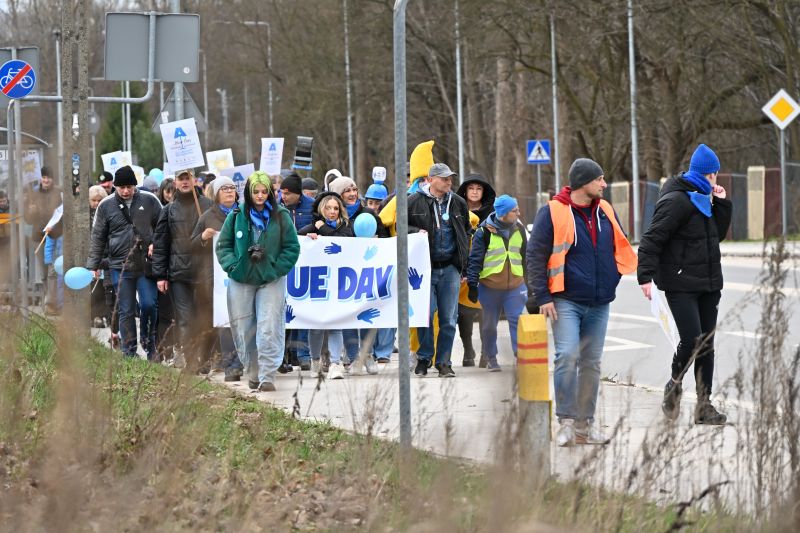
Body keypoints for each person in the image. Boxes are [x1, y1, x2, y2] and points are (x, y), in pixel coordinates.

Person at [527, 158, 637, 446]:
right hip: (566, 300)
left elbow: (619, 245)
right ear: (582, 183)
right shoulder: (551, 212)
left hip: (599, 302)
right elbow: (535, 256)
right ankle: (565, 422)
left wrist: (611, 281)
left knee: (591, 363)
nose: (604, 184)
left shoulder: (605, 210)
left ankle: (584, 427)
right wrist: (543, 296)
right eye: (598, 179)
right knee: (567, 357)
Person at [637, 144, 732, 425]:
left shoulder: (704, 199)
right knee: (692, 340)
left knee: (707, 344)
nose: (716, 180)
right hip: (679, 283)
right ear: (709, 174)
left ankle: (704, 406)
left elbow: (716, 236)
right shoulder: (677, 200)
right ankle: (674, 384)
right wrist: (645, 276)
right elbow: (652, 239)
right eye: (715, 175)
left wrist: (723, 203)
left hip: (708, 283)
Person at [215, 171, 300, 391]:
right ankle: (252, 368)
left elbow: (292, 247)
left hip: (270, 280)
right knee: (243, 327)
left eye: (264, 191)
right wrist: (233, 266)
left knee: (269, 326)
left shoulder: (280, 216)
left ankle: (267, 374)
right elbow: (223, 245)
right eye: (256, 192)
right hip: (241, 279)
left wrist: (277, 268)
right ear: (248, 193)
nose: (260, 196)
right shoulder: (236, 215)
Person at [87, 166, 162, 359]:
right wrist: (94, 264)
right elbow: (98, 236)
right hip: (119, 265)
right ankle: (129, 350)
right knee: (125, 309)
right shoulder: (105, 205)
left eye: (129, 187)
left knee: (148, 304)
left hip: (145, 263)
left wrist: (155, 243)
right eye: (122, 187)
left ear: (135, 186)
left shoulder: (150, 200)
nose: (126, 191)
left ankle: (149, 343)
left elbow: (162, 227)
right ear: (116, 187)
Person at [408, 163, 472, 378]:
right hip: (425, 268)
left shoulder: (458, 202)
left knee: (448, 318)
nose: (449, 182)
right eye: (444, 178)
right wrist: (417, 231)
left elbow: (466, 232)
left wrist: (462, 265)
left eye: (450, 178)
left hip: (451, 268)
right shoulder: (414, 201)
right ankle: (424, 358)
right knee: (426, 314)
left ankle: (444, 362)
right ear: (430, 179)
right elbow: (401, 228)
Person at [152, 169, 214, 371]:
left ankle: (204, 359)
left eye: (188, 178)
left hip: (204, 272)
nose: (185, 182)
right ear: (175, 182)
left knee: (205, 318)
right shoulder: (169, 210)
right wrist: (161, 275)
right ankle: (190, 361)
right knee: (185, 320)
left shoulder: (207, 205)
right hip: (179, 274)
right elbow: (161, 245)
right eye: (181, 178)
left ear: (194, 180)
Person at [297, 192, 357, 379]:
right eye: (328, 208)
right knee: (316, 326)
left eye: (336, 208)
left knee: (336, 324)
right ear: (322, 209)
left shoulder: (346, 227)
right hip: (317, 284)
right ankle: (315, 361)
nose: (332, 212)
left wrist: (323, 229)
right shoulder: (312, 226)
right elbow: (296, 238)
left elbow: (344, 240)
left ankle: (335, 363)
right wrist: (310, 235)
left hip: (338, 285)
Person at [191, 176, 243, 381]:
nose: (230, 191)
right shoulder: (206, 217)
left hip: (243, 275)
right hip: (216, 279)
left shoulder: (244, 214)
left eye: (232, 188)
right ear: (216, 194)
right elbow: (191, 245)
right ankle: (231, 366)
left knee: (242, 321)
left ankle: (242, 361)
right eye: (225, 189)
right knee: (225, 321)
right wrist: (203, 237)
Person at [466, 195, 527, 372]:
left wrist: (530, 286)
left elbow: (526, 258)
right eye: (515, 211)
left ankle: (519, 356)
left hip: (515, 285)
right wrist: (472, 285)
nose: (518, 213)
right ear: (503, 214)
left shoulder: (519, 229)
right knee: (489, 325)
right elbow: (475, 260)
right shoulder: (483, 232)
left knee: (517, 320)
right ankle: (491, 357)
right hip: (489, 287)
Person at [456, 174, 497, 367]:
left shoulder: (493, 213)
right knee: (464, 312)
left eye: (478, 188)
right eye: (471, 188)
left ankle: (486, 352)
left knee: (486, 312)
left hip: (486, 266)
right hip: (462, 266)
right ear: (465, 191)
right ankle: (468, 349)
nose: (474, 191)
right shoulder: (457, 209)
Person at [279, 172, 316, 372]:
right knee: (283, 312)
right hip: (284, 265)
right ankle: (281, 356)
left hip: (306, 265)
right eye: (281, 192)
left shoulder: (311, 206)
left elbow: (319, 226)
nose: (283, 196)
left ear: (297, 194)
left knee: (302, 311)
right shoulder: (277, 207)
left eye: (287, 193)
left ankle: (303, 355)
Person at [24, 166, 62, 308]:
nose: (46, 180)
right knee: (44, 270)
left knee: (54, 268)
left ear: (53, 179)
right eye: (43, 177)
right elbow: (27, 219)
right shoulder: (32, 194)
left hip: (55, 236)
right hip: (38, 237)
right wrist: (31, 212)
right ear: (40, 178)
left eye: (48, 177)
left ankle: (53, 300)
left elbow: (63, 213)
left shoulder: (59, 193)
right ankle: (48, 298)